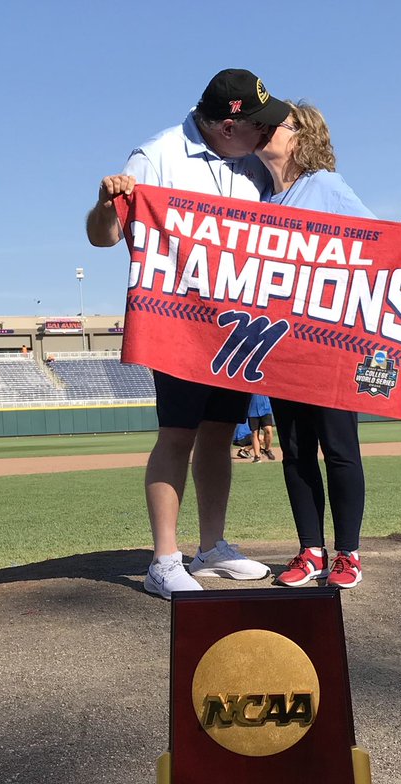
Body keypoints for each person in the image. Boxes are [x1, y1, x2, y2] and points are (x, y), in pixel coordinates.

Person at [86, 69, 291, 599]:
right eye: (259, 125)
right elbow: (103, 238)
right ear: (228, 126)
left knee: (220, 433)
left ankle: (212, 547)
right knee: (178, 435)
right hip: (178, 322)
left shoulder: (254, 164)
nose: (267, 133)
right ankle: (163, 560)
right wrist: (107, 204)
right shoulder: (156, 156)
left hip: (237, 324)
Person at [254, 103, 401, 590]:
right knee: (295, 452)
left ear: (301, 136)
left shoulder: (325, 186)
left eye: (275, 125)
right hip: (282, 345)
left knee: (338, 448)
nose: (264, 131)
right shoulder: (258, 200)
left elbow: (376, 239)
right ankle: (310, 550)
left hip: (330, 344)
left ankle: (348, 554)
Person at [246, 394, 276, 462]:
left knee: (268, 430)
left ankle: (267, 450)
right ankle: (257, 456)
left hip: (265, 408)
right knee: (254, 432)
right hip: (252, 410)